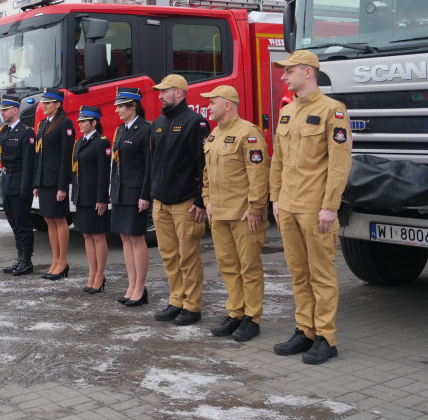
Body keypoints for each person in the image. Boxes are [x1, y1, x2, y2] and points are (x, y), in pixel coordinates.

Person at [270, 50, 352, 364]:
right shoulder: (287, 111)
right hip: (289, 207)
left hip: (316, 209)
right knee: (298, 274)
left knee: (321, 274)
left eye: (288, 71)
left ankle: (325, 337)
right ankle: (304, 330)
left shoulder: (333, 110)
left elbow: (339, 164)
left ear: (308, 72)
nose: (283, 76)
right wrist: (275, 199)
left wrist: (330, 206)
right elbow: (277, 161)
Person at [202, 85, 270, 342]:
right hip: (219, 214)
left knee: (249, 267)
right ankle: (236, 313)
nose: (209, 106)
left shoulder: (248, 133)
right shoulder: (214, 134)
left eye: (213, 102)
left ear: (227, 104)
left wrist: (255, 208)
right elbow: (207, 173)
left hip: (243, 215)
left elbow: (259, 174)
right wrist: (207, 201)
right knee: (228, 267)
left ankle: (252, 318)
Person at [149, 74, 210, 326]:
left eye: (164, 91)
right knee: (169, 255)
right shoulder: (158, 122)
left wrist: (201, 200)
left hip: (186, 203)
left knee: (188, 256)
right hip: (161, 203)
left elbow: (203, 165)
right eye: (160, 92)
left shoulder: (195, 122)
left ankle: (192, 306)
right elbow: (153, 162)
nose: (160, 96)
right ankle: (176, 300)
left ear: (179, 92)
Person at [110, 87, 153, 306]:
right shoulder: (120, 130)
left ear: (133, 105)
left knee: (136, 238)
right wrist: (112, 191)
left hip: (136, 193)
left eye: (121, 106)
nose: (117, 110)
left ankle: (140, 288)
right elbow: (115, 163)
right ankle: (131, 285)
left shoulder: (146, 129)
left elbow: (149, 166)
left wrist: (145, 195)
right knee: (125, 238)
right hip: (120, 192)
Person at [32, 88, 76, 281]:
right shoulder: (42, 124)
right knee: (49, 219)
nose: (44, 106)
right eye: (43, 103)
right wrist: (36, 182)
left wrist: (62, 186)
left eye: (48, 103)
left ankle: (63, 262)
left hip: (56, 181)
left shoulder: (65, 124)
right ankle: (55, 260)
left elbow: (67, 157)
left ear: (58, 104)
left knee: (59, 219)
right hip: (44, 180)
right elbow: (39, 156)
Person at [72, 105, 111, 293]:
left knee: (97, 235)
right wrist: (75, 195)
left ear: (94, 122)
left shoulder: (101, 142)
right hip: (82, 196)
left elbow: (104, 172)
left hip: (95, 196)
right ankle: (92, 273)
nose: (80, 124)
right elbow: (76, 171)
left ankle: (99, 275)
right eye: (79, 121)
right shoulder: (80, 142)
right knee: (87, 235)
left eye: (83, 121)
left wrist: (102, 198)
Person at [0, 96, 36, 276]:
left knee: (23, 224)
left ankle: (27, 260)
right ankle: (20, 257)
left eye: (5, 110)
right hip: (7, 181)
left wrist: (26, 187)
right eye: (2, 110)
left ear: (15, 110)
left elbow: (29, 163)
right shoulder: (5, 131)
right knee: (14, 224)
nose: (2, 113)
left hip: (19, 182)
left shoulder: (26, 133)